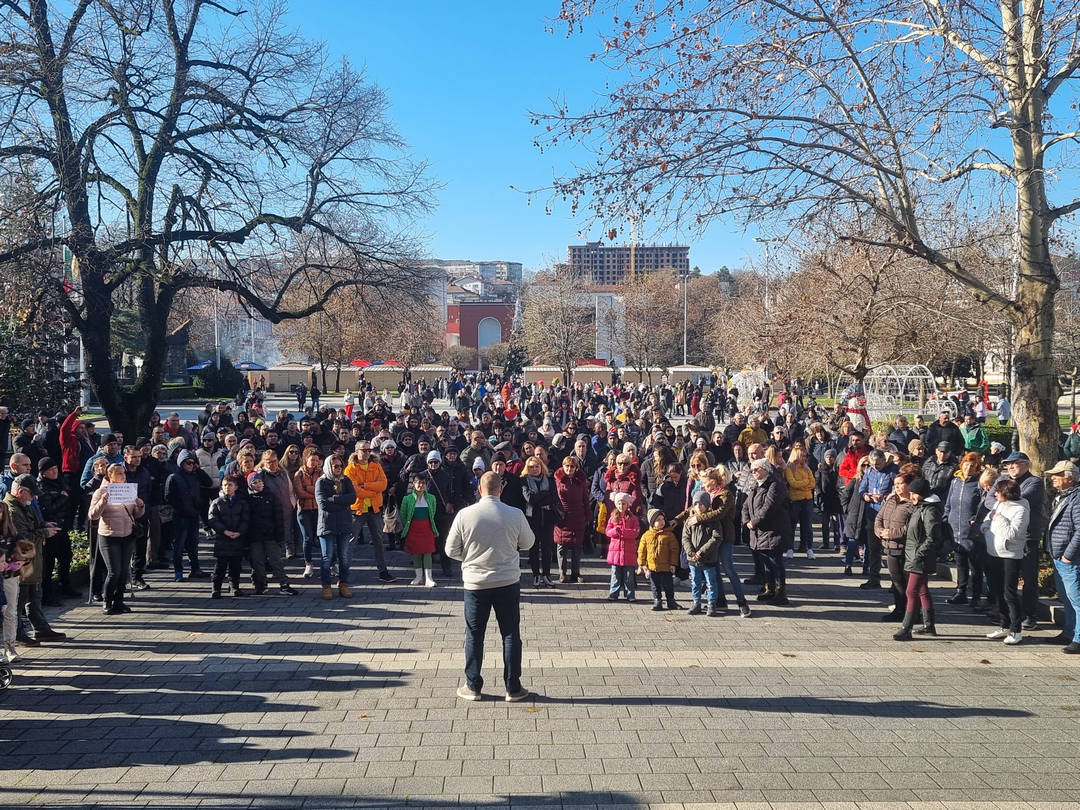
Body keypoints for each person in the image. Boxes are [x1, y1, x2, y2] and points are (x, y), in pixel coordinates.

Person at [446, 471, 534, 703]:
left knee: (474, 634)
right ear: (501, 489)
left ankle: (473, 686)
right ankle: (513, 687)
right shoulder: (514, 514)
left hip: (475, 582)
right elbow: (528, 543)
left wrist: (469, 557)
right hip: (507, 580)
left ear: (479, 489)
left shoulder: (465, 515)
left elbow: (450, 550)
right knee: (510, 633)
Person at [6, 475, 66, 644]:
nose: (34, 497)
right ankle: (17, 633)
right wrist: (44, 533)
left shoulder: (25, 505)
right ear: (20, 492)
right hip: (19, 561)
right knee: (19, 598)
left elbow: (35, 525)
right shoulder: (12, 510)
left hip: (32, 560)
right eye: (31, 494)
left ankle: (41, 629)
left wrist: (44, 526)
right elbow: (22, 538)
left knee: (34, 594)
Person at [88, 463, 146, 615]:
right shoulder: (101, 491)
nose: (123, 475)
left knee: (123, 572)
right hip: (109, 536)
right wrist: (103, 501)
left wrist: (140, 506)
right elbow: (92, 515)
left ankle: (119, 601)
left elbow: (136, 514)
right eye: (119, 473)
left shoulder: (129, 490)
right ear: (110, 476)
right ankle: (107, 602)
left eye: (124, 473)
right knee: (114, 571)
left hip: (127, 535)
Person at [892, 478, 945, 641]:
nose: (911, 496)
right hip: (913, 555)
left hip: (919, 557)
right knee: (922, 590)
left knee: (911, 591)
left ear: (921, 494)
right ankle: (929, 625)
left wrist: (919, 554)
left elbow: (932, 537)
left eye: (914, 493)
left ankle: (906, 628)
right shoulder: (919, 507)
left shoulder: (929, 510)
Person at [982, 478, 1030, 645]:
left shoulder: (1021, 509)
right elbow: (989, 516)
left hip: (1010, 555)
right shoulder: (999, 503)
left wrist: (999, 519)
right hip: (993, 552)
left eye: (998, 491)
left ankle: (1016, 630)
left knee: (1009, 592)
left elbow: (1013, 533)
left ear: (1007, 493)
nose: (995, 494)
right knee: (997, 590)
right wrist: (985, 526)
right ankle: (1004, 625)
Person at [344, 443, 395, 582]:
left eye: (369, 450)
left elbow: (383, 485)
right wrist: (374, 489)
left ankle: (383, 571)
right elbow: (355, 491)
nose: (367, 452)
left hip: (374, 509)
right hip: (357, 510)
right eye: (364, 450)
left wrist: (365, 485)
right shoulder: (350, 469)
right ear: (356, 451)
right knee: (351, 542)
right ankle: (344, 573)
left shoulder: (376, 465)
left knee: (378, 541)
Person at [744, 457, 791, 605]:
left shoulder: (775, 485)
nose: (754, 472)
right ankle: (769, 588)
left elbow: (769, 507)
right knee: (766, 563)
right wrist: (746, 521)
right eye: (752, 470)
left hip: (774, 530)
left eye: (756, 469)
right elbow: (746, 505)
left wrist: (754, 521)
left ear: (765, 469)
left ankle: (780, 592)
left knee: (776, 562)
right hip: (759, 532)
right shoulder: (756, 486)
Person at [1046, 460, 1080, 652]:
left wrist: (1068, 555)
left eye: (1057, 475)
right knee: (1067, 599)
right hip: (1058, 556)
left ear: (1070, 478)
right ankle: (1069, 632)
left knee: (1076, 599)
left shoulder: (1077, 498)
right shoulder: (1063, 496)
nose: (1052, 478)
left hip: (1070, 558)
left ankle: (1078, 637)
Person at [944, 452, 985, 607]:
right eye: (966, 465)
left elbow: (982, 506)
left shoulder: (978, 484)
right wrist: (946, 518)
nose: (969, 469)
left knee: (975, 566)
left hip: (972, 532)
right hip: (955, 530)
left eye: (973, 466)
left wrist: (976, 520)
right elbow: (948, 504)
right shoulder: (955, 482)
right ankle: (961, 591)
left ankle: (976, 595)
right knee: (960, 563)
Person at [875, 467, 916, 622]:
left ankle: (912, 612)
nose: (897, 487)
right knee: (896, 581)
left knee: (908, 583)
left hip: (905, 548)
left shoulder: (912, 504)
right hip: (889, 547)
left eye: (900, 483)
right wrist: (880, 531)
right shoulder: (891, 500)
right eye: (895, 484)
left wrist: (892, 533)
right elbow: (879, 517)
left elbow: (912, 527)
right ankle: (899, 610)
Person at [245, 472, 296, 595]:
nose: (258, 484)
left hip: (271, 534)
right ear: (251, 485)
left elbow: (278, 517)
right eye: (255, 483)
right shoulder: (248, 500)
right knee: (258, 561)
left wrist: (280, 536)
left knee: (275, 560)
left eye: (260, 481)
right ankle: (262, 583)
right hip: (255, 536)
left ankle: (284, 584)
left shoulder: (271, 496)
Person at [315, 454, 357, 600]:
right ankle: (326, 586)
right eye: (335, 466)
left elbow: (353, 497)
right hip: (327, 525)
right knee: (327, 557)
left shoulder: (346, 480)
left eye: (340, 466)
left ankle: (343, 584)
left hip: (344, 524)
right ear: (329, 466)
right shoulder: (321, 482)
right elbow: (323, 505)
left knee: (344, 557)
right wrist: (343, 504)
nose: (338, 469)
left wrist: (335, 499)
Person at [207, 477, 250, 598]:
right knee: (220, 566)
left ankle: (235, 586)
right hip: (222, 539)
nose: (227, 487)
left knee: (235, 566)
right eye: (225, 485)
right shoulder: (216, 502)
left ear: (235, 487)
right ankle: (216, 588)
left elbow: (245, 519)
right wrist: (224, 531)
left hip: (237, 538)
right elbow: (213, 519)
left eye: (230, 485)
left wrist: (239, 532)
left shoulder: (242, 503)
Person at [682, 489, 722, 616]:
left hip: (708, 558)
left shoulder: (713, 520)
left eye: (701, 504)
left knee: (710, 582)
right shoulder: (690, 521)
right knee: (695, 582)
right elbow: (685, 538)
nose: (698, 507)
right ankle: (696, 602)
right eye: (696, 504)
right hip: (693, 559)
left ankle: (711, 603)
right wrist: (691, 552)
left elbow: (716, 538)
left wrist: (702, 552)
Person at [521, 456, 557, 588]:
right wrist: (544, 494)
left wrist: (539, 497)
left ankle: (547, 575)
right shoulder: (524, 480)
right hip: (532, 518)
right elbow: (529, 499)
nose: (534, 469)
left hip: (547, 517)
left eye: (537, 466)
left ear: (541, 466)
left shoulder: (549, 479)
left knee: (547, 548)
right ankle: (536, 575)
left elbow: (553, 497)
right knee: (534, 548)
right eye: (531, 467)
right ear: (527, 468)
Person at [553, 455, 590, 583]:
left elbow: (585, 498)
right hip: (562, 516)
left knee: (577, 547)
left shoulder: (581, 480)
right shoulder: (557, 480)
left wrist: (588, 515)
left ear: (576, 468)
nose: (569, 468)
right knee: (561, 546)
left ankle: (576, 573)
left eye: (572, 466)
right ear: (563, 467)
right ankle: (562, 573)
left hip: (578, 516)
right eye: (567, 466)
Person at [638, 508, 681, 611]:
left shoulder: (669, 535)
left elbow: (674, 550)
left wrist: (673, 564)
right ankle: (657, 600)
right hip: (652, 567)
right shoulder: (646, 535)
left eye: (662, 519)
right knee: (655, 586)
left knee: (668, 585)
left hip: (666, 567)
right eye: (658, 520)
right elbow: (641, 551)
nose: (661, 522)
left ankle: (671, 601)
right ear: (652, 522)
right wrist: (642, 564)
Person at [400, 473, 438, 587]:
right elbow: (403, 514)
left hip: (427, 528)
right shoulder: (407, 499)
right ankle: (418, 577)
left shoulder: (431, 498)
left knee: (427, 552)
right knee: (416, 553)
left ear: (426, 485)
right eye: (418, 482)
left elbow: (433, 512)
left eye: (423, 483)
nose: (420, 485)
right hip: (413, 528)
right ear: (413, 484)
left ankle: (429, 578)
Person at [604, 491, 640, 601]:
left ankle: (630, 594)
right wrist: (615, 531)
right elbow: (607, 531)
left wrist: (624, 532)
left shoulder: (633, 518)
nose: (621, 506)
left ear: (628, 504)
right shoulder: (613, 517)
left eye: (623, 503)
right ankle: (613, 593)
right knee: (615, 575)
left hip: (628, 552)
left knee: (629, 576)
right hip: (615, 552)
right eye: (619, 503)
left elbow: (636, 532)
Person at [784, 445, 816, 558]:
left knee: (807, 525)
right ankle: (789, 548)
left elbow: (813, 483)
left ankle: (809, 548)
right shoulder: (789, 468)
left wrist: (802, 484)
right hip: (795, 500)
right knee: (792, 525)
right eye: (802, 456)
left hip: (807, 500)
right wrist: (805, 483)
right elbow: (793, 483)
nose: (804, 458)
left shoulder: (807, 468)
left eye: (805, 456)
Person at [814, 449, 843, 550]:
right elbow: (817, 484)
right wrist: (818, 495)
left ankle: (837, 543)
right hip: (824, 499)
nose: (829, 459)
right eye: (827, 457)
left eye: (831, 457)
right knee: (825, 523)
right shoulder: (820, 470)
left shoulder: (838, 470)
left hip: (835, 499)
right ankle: (825, 542)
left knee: (836, 524)